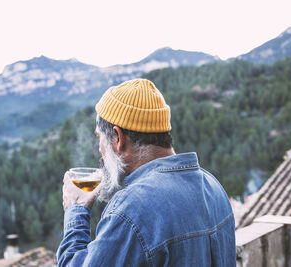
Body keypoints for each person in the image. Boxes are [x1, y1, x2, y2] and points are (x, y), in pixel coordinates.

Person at [57, 78, 236, 266]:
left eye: (99, 137)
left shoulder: (130, 210)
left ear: (118, 138)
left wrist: (76, 210)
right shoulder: (213, 186)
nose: (100, 151)